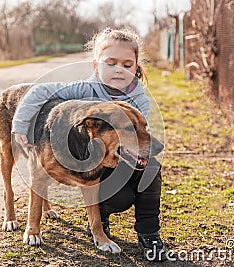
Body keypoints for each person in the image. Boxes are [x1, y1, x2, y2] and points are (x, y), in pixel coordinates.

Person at [12, 27, 164, 261]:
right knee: (103, 185)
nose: (118, 70)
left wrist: (140, 147)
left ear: (136, 68)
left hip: (120, 156)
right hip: (92, 157)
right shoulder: (84, 89)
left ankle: (148, 232)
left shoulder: (139, 99)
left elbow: (141, 133)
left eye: (127, 65)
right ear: (96, 65)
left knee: (151, 169)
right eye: (110, 62)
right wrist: (20, 126)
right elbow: (40, 91)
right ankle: (98, 222)